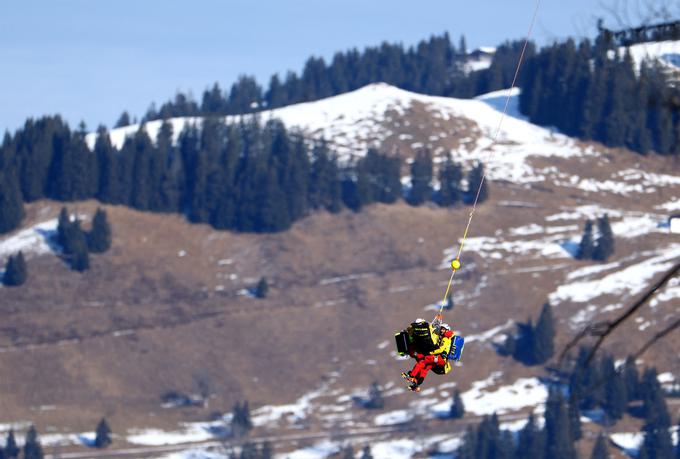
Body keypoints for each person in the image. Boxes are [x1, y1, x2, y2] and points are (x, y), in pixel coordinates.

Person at [401, 319, 454, 392]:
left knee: (422, 362)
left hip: (440, 358)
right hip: (439, 360)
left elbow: (441, 349)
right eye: (441, 329)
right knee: (425, 369)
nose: (441, 330)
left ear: (447, 330)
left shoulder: (445, 339)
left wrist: (430, 353)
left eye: (443, 329)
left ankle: (411, 376)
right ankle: (417, 383)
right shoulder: (445, 338)